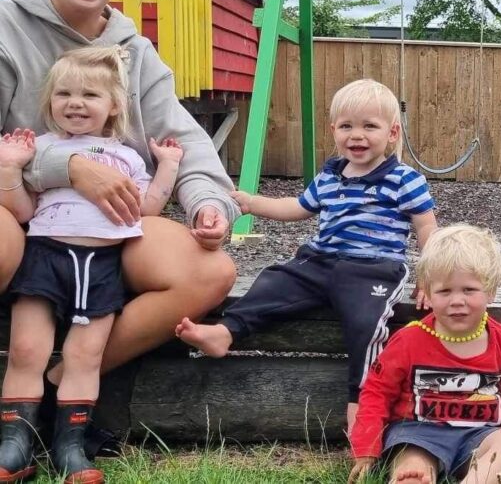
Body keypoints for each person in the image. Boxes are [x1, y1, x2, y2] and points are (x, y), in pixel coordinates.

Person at [0, 0, 238, 453]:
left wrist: (208, 203)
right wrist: (67, 167)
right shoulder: (7, 31)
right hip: (21, 212)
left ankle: (55, 398)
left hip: (106, 230)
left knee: (210, 270)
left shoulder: (136, 53)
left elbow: (187, 140)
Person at [176, 78, 437, 430]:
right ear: (333, 130)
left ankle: (363, 402)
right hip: (321, 261)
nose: (356, 135)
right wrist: (253, 204)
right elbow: (298, 207)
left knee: (366, 324)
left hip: (373, 269)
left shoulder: (405, 180)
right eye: (346, 126)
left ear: (391, 133)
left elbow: (426, 228)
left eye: (369, 126)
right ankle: (225, 332)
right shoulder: (330, 176)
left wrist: (432, 275)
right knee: (272, 282)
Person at [0, 47, 184, 482]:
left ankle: (70, 449)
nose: (75, 103)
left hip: (100, 264)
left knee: (85, 355)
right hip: (44, 257)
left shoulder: (127, 157)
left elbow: (146, 210)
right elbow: (23, 210)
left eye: (89, 95)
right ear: (49, 103)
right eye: (63, 93)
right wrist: (10, 169)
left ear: (114, 106)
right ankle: (14, 446)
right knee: (26, 351)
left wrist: (168, 169)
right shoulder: (41, 149)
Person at [348, 224, 501, 484]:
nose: (456, 300)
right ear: (428, 292)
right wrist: (366, 447)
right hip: (417, 434)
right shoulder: (408, 340)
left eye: (469, 290)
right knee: (412, 465)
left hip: (479, 437)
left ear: (491, 291)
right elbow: (375, 393)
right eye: (444, 291)